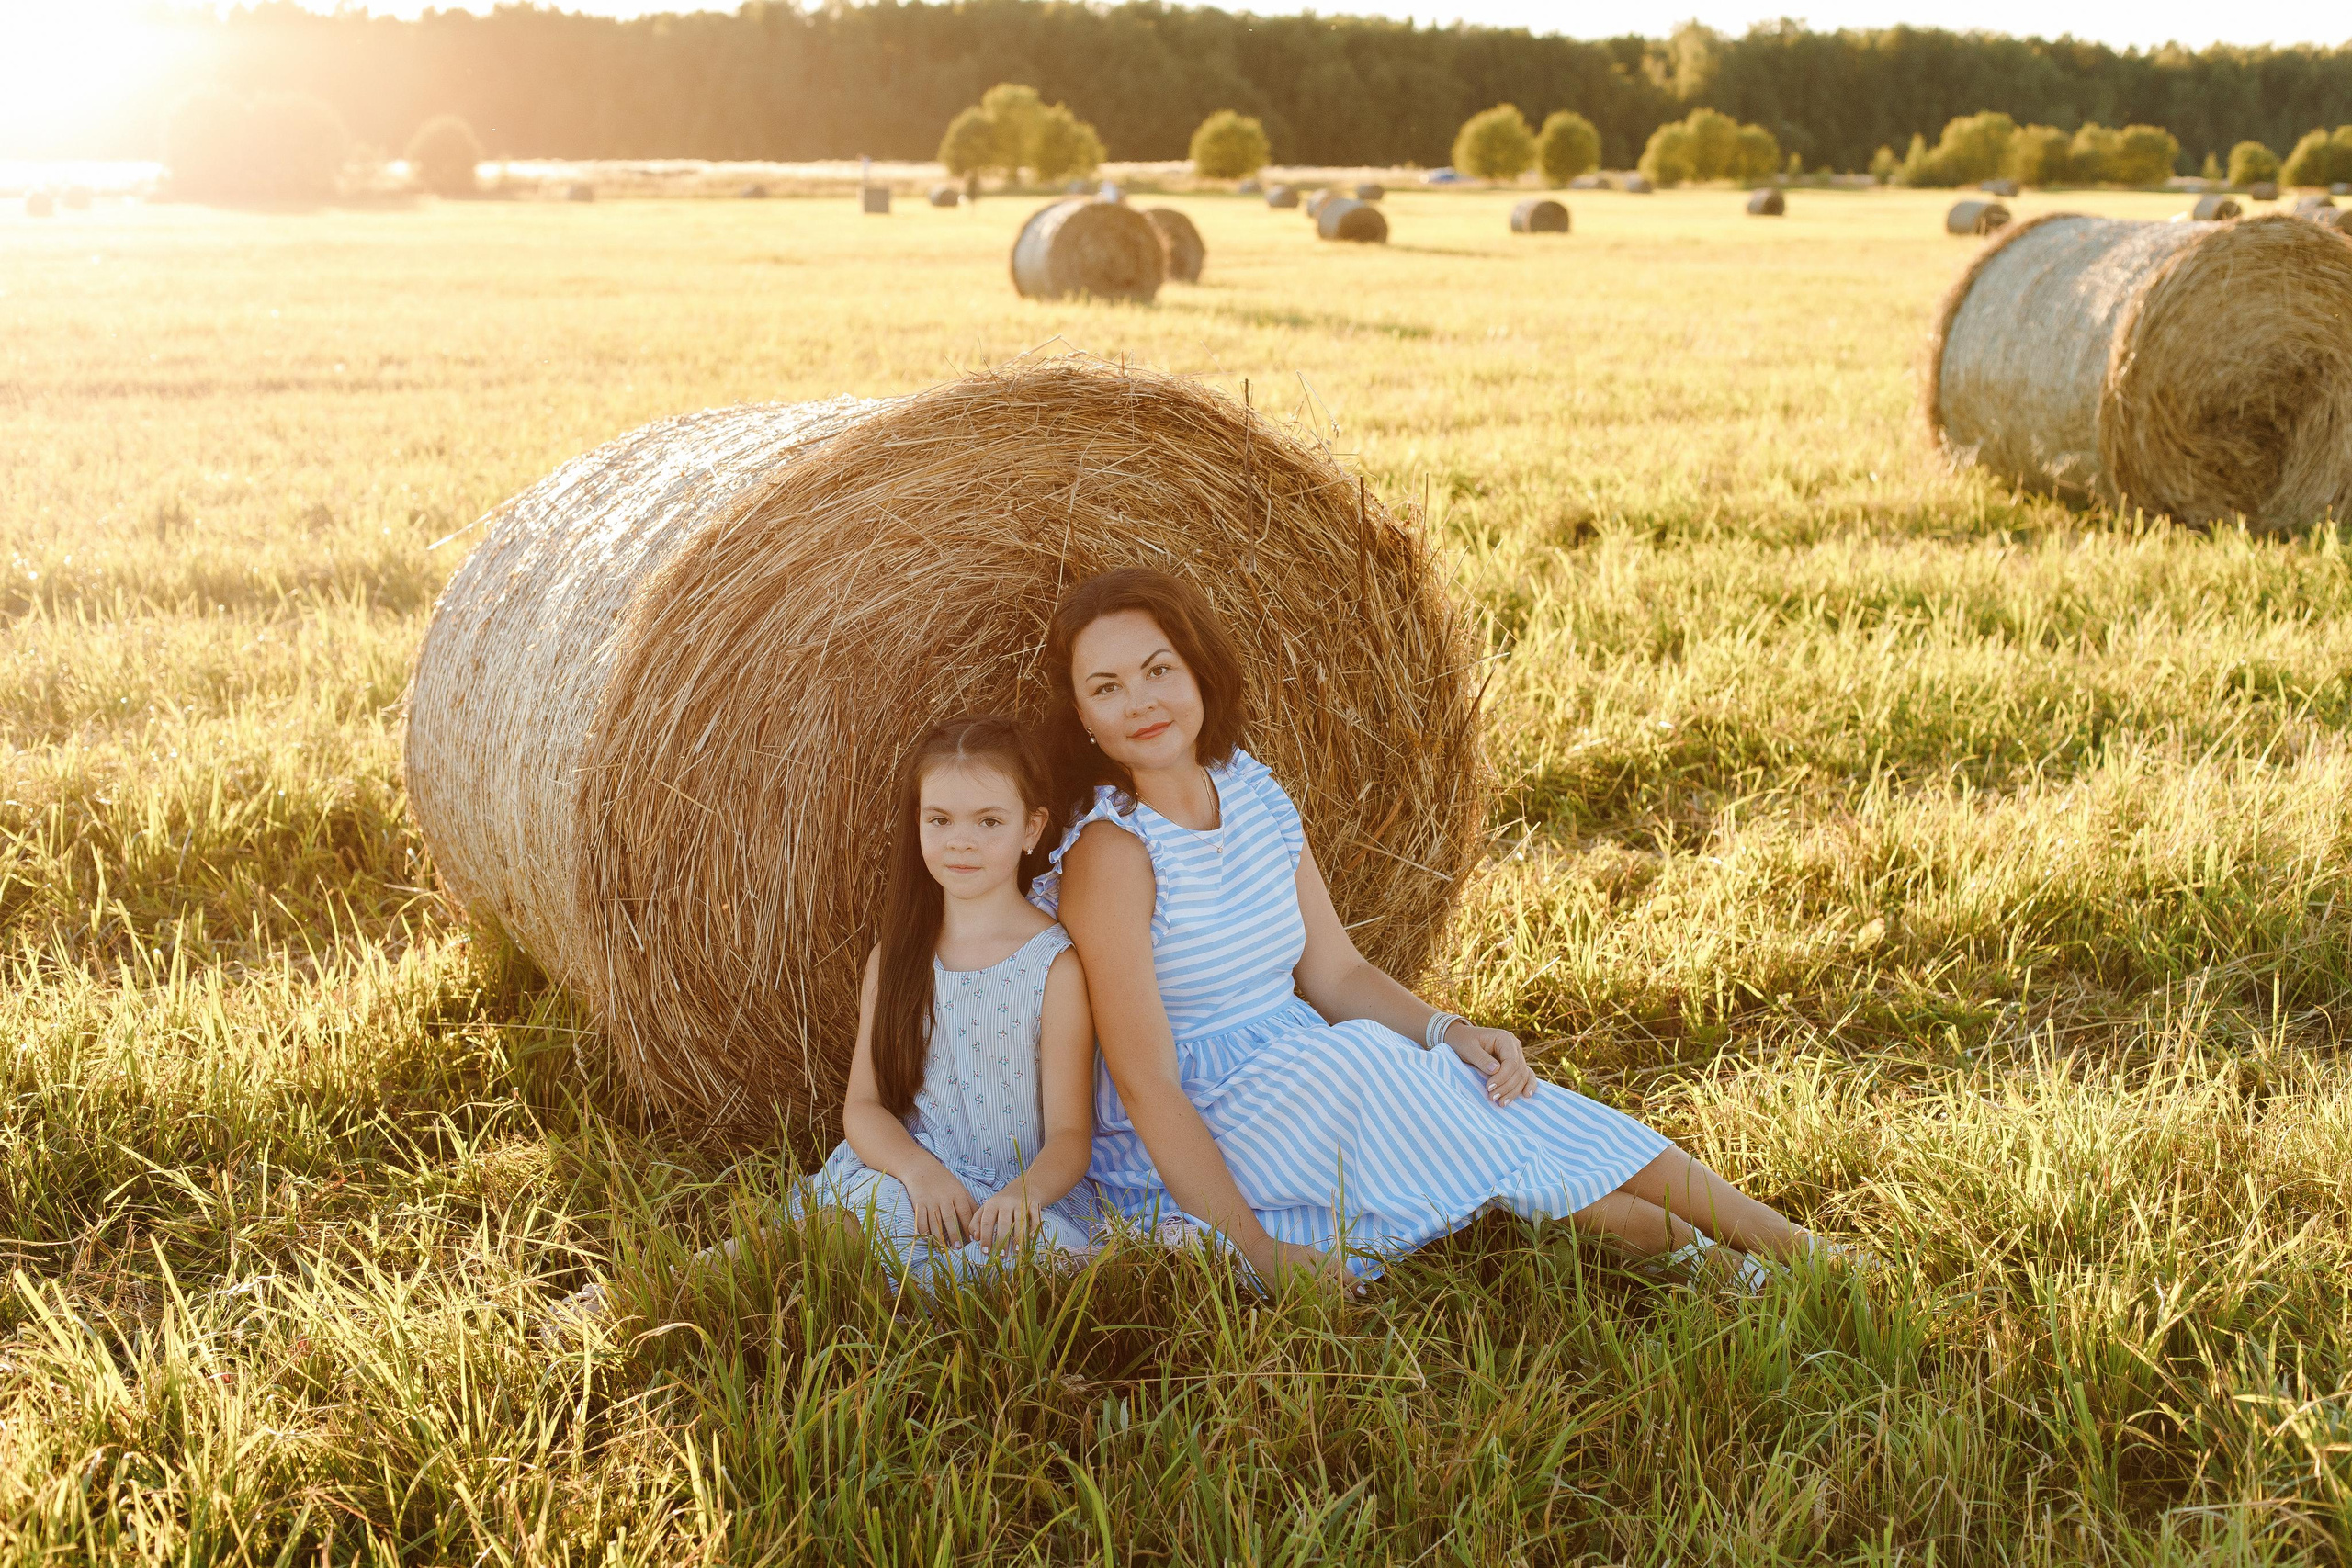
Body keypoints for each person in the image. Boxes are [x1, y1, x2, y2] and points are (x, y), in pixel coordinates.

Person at [1032, 567, 1860, 1292]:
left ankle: (1791, 1243)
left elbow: (1336, 973)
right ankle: (1716, 1263)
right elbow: (1146, 1083)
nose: (1139, 701)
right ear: (1084, 718)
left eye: (1157, 669)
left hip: (1307, 1074)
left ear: (1199, 672)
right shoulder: (1112, 852)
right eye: (1106, 687)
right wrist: (1255, 1248)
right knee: (1461, 1120)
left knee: (1507, 1100)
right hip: (1205, 1113)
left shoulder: (1249, 788)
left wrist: (1449, 1028)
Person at [793, 714, 1102, 1290]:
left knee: (1048, 1267)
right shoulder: (898, 957)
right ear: (918, 825)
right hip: (919, 1180)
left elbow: (1069, 1135)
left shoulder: (1054, 966)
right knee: (846, 1221)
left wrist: (1023, 1194)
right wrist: (918, 1171)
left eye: (989, 821)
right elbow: (863, 1106)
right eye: (940, 819)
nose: (961, 841)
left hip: (1017, 1196)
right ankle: (657, 1291)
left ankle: (922, 1298)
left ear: (1032, 829)